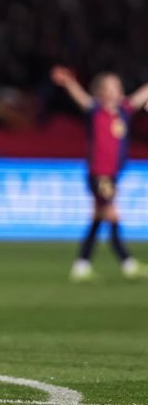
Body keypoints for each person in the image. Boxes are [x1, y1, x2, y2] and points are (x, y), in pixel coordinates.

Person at [50, 66, 148, 282]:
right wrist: (68, 82)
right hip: (99, 175)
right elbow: (81, 97)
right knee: (113, 215)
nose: (114, 91)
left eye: (117, 86)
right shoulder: (96, 110)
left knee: (97, 219)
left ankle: (81, 265)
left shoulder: (124, 110)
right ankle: (127, 263)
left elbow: (143, 94)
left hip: (112, 175)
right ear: (101, 91)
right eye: (110, 87)